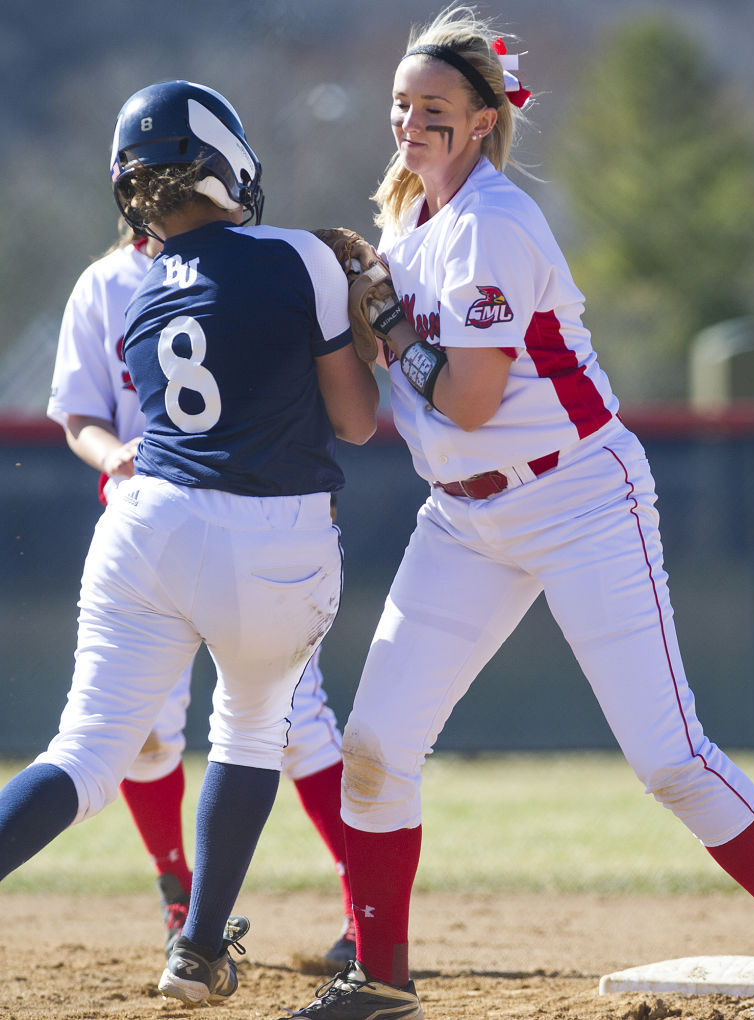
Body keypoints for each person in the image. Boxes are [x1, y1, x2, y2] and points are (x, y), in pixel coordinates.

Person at [288, 8, 754, 1020]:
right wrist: (350, 315)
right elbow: (379, 413)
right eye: (402, 105)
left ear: (483, 122)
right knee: (374, 743)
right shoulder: (408, 219)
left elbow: (465, 397)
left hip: (580, 496)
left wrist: (379, 315)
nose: (410, 122)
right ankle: (381, 977)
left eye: (435, 109)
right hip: (463, 517)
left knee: (670, 759)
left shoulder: (494, 223)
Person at [0, 79, 378, 1008]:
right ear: (225, 164)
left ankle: (193, 934)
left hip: (143, 524)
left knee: (85, 753)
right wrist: (367, 311)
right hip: (269, 538)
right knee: (252, 731)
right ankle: (199, 950)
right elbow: (358, 423)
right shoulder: (296, 252)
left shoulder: (134, 287)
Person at [47, 220, 357, 971]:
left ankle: (362, 910)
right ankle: (183, 899)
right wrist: (111, 451)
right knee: (156, 737)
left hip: (201, 527)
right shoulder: (108, 283)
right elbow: (79, 414)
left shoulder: (250, 265)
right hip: (178, 529)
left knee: (296, 725)